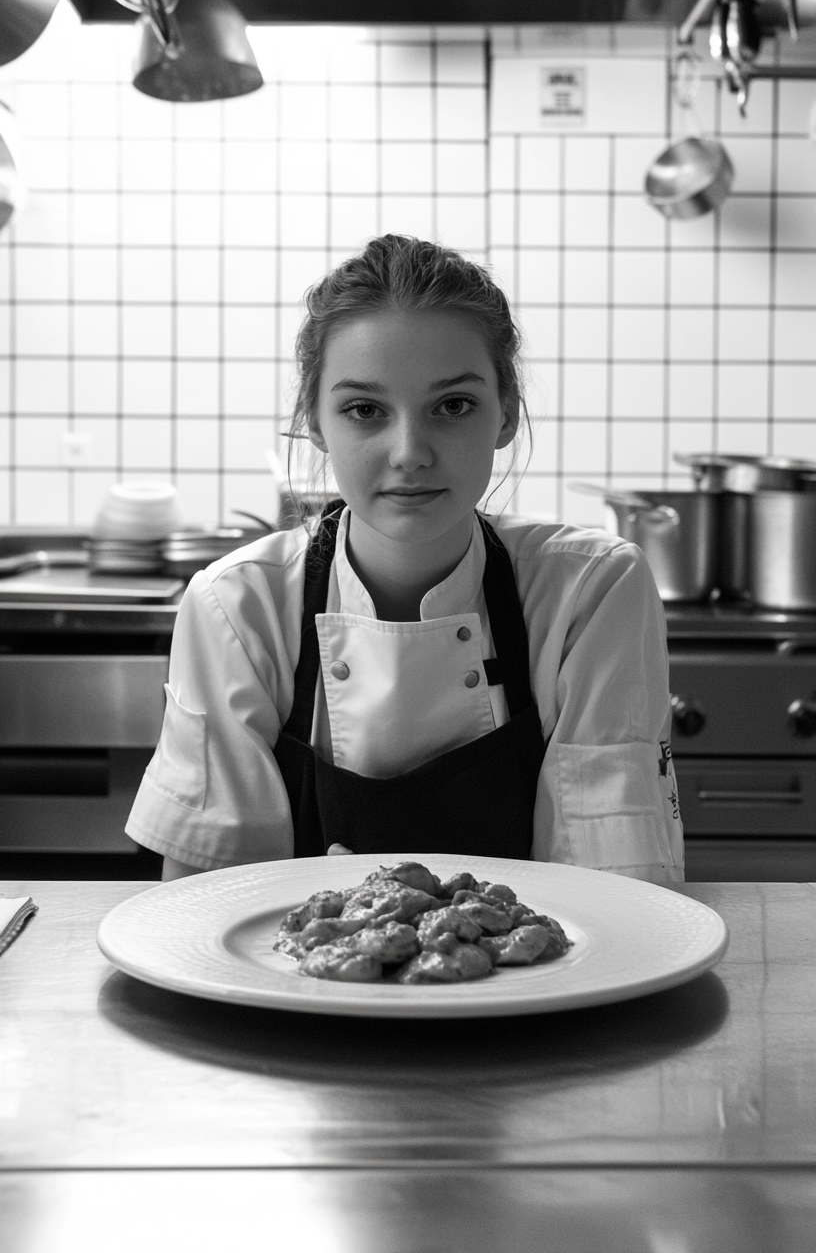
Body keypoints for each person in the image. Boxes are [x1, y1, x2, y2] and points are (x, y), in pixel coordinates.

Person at [126, 234, 684, 885]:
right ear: (315, 421)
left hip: (540, 984)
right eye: (365, 410)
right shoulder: (236, 605)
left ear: (505, 413)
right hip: (296, 986)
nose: (410, 452)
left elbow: (618, 891)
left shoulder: (590, 589)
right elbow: (201, 904)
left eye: (453, 406)